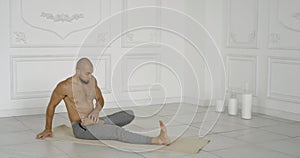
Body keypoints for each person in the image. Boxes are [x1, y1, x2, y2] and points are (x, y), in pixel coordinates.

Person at [36, 57, 170, 145]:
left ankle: (100, 123)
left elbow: (100, 100)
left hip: (93, 120)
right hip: (81, 127)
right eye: (87, 73)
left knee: (129, 114)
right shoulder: (64, 86)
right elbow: (51, 106)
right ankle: (157, 140)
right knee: (117, 132)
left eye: (91, 73)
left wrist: (95, 111)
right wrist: (48, 128)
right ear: (78, 71)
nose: (90, 76)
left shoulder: (92, 81)